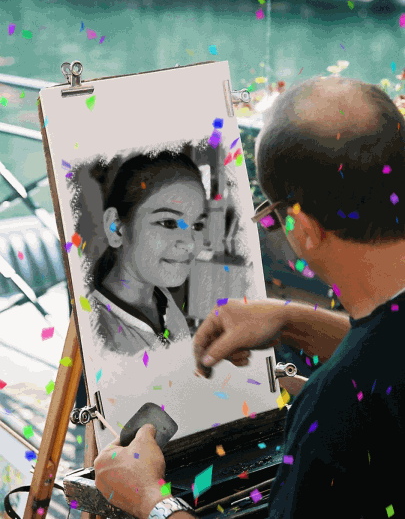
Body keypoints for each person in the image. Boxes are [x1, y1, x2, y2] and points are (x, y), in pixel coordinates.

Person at [94, 75, 405, 519]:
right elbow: (388, 349)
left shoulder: (333, 410)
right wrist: (291, 320)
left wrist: (151, 500)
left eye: (272, 215)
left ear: (303, 228)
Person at [88, 151, 209, 356]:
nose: (190, 244)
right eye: (168, 223)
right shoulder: (100, 340)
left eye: (197, 225)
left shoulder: (160, 296)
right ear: (116, 228)